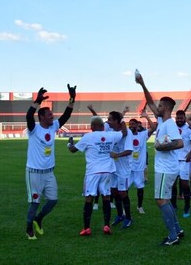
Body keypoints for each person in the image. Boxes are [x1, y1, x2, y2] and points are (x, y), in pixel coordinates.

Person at [136, 73, 184, 246]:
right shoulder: (162, 122)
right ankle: (178, 230)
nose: (156, 107)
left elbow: (179, 143)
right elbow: (149, 101)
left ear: (165, 107)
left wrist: (161, 146)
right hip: (166, 168)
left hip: (166, 169)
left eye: (159, 105)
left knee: (160, 200)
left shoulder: (169, 124)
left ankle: (173, 237)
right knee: (165, 200)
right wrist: (142, 84)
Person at [25, 85, 76, 240]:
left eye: (52, 114)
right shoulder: (33, 129)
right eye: (49, 115)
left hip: (49, 172)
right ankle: (28, 229)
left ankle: (38, 219)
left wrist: (72, 98)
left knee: (53, 200)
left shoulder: (53, 126)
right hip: (34, 172)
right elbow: (28, 116)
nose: (52, 117)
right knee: (35, 202)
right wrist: (37, 101)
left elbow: (66, 115)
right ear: (41, 117)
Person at [68, 116, 127, 236]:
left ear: (93, 126)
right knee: (106, 197)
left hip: (92, 172)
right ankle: (106, 225)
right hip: (107, 171)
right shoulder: (111, 135)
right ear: (102, 126)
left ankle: (86, 228)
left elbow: (73, 150)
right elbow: (124, 132)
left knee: (89, 198)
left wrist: (69, 144)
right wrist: (122, 121)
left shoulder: (88, 137)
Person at [107, 111, 134, 229]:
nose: (108, 121)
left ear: (117, 121)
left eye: (110, 119)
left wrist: (116, 155)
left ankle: (128, 218)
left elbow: (129, 151)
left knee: (123, 192)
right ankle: (119, 215)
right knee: (114, 191)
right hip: (113, 168)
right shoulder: (111, 132)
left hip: (124, 169)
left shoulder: (128, 133)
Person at [128, 110, 156, 214]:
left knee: (140, 187)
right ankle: (124, 207)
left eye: (133, 124)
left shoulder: (142, 135)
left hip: (139, 167)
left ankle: (139, 206)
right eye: (129, 124)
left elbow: (153, 128)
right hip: (128, 167)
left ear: (137, 125)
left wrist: (146, 117)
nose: (131, 125)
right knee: (124, 188)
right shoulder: (126, 135)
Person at [174, 110, 191, 218]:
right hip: (173, 160)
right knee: (172, 184)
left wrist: (190, 154)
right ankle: (174, 205)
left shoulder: (189, 129)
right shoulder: (172, 128)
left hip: (184, 161)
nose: (179, 120)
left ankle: (187, 206)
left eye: (181, 118)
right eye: (178, 118)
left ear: (184, 118)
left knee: (184, 184)